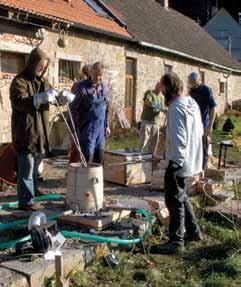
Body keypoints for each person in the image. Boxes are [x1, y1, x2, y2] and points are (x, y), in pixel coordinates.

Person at [10, 47, 74, 210]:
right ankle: (25, 202)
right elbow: (19, 102)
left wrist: (62, 98)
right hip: (25, 132)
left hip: (41, 133)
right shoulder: (19, 81)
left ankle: (32, 192)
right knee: (27, 167)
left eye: (44, 66)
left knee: (35, 166)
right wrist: (38, 98)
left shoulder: (44, 82)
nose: (41, 69)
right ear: (32, 63)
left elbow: (53, 99)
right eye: (39, 65)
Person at [151, 73, 203, 254]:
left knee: (173, 200)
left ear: (169, 88)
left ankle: (175, 242)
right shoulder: (191, 103)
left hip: (179, 160)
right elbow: (200, 130)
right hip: (192, 158)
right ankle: (194, 232)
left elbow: (180, 138)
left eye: (163, 88)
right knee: (181, 196)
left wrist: (174, 163)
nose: (162, 91)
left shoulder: (175, 107)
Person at [70, 62, 110, 164]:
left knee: (99, 160)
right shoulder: (81, 88)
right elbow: (72, 109)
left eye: (101, 75)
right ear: (91, 72)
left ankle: (96, 180)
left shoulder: (104, 88)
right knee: (87, 162)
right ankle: (84, 180)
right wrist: (73, 131)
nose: (99, 78)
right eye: (97, 74)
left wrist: (107, 125)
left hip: (100, 131)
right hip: (87, 131)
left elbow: (107, 108)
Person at [188, 72, 217, 169]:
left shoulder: (206, 90)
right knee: (193, 148)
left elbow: (212, 108)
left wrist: (210, 126)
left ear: (199, 80)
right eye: (191, 83)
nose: (192, 84)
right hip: (193, 124)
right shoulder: (191, 91)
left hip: (204, 124)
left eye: (194, 82)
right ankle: (193, 169)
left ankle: (202, 171)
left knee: (203, 148)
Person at [139, 81, 166, 154]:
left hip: (156, 122)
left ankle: (150, 158)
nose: (159, 88)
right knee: (143, 140)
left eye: (161, 87)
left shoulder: (162, 97)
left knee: (154, 143)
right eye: (158, 86)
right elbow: (147, 102)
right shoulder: (150, 93)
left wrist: (165, 111)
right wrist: (158, 106)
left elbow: (163, 108)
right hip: (147, 121)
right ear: (156, 86)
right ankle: (139, 155)